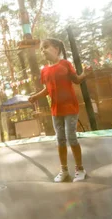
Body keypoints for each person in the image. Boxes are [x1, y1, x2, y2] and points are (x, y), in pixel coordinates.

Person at [29, 38, 93, 182]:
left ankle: (80, 169)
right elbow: (47, 89)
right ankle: (64, 170)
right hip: (56, 110)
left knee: (71, 137)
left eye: (46, 47)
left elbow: (76, 79)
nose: (43, 50)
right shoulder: (44, 70)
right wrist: (35, 96)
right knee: (60, 139)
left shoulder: (65, 64)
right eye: (41, 49)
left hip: (70, 107)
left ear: (56, 48)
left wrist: (85, 74)